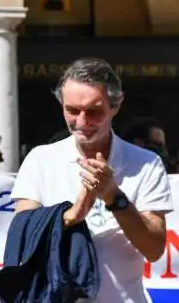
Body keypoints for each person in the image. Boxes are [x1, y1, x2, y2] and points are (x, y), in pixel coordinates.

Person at [11, 58, 172, 303]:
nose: (82, 122)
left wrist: (113, 196)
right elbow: (23, 239)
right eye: (72, 110)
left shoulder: (146, 163)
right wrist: (71, 215)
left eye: (94, 112)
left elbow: (153, 249)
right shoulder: (40, 159)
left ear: (116, 106)